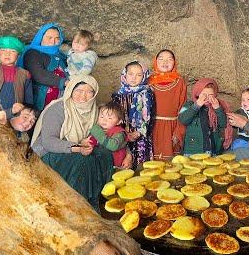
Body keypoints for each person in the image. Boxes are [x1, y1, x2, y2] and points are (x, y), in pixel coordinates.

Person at [29, 76, 130, 210]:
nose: (83, 95)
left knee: (104, 154)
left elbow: (114, 135)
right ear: (70, 90)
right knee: (83, 161)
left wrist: (128, 155)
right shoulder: (58, 109)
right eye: (78, 90)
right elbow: (48, 142)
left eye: (89, 91)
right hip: (48, 155)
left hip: (81, 150)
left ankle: (99, 200)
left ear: (94, 95)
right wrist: (78, 147)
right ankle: (78, 207)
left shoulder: (97, 112)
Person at [111, 60, 155, 170]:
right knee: (123, 167)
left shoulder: (147, 93)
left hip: (140, 137)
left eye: (139, 75)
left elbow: (150, 116)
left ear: (144, 76)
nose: (134, 78)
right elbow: (114, 116)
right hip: (121, 137)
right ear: (124, 75)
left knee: (141, 169)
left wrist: (139, 132)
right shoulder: (117, 95)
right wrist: (122, 133)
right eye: (130, 74)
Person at [18, 22, 68, 112]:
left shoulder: (62, 56)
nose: (53, 42)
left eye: (57, 38)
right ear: (41, 38)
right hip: (38, 104)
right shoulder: (33, 53)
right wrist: (63, 82)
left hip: (60, 104)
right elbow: (38, 75)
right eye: (49, 38)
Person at [148, 49, 187, 161]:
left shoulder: (179, 82)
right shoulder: (148, 82)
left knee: (171, 165)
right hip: (152, 127)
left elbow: (183, 108)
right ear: (155, 62)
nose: (165, 62)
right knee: (152, 164)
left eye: (169, 59)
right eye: (161, 59)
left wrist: (179, 130)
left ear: (174, 62)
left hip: (172, 127)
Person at [178, 78, 232, 156]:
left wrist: (218, 108)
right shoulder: (189, 105)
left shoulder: (216, 108)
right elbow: (183, 120)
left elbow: (223, 124)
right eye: (204, 95)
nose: (207, 98)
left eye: (211, 95)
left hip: (212, 149)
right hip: (193, 150)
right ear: (197, 93)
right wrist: (197, 106)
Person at [87, 101, 128, 168]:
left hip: (115, 167)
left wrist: (95, 129)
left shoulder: (119, 133)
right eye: (102, 117)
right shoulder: (96, 130)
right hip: (99, 165)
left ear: (119, 121)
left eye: (110, 118)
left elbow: (113, 146)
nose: (104, 120)